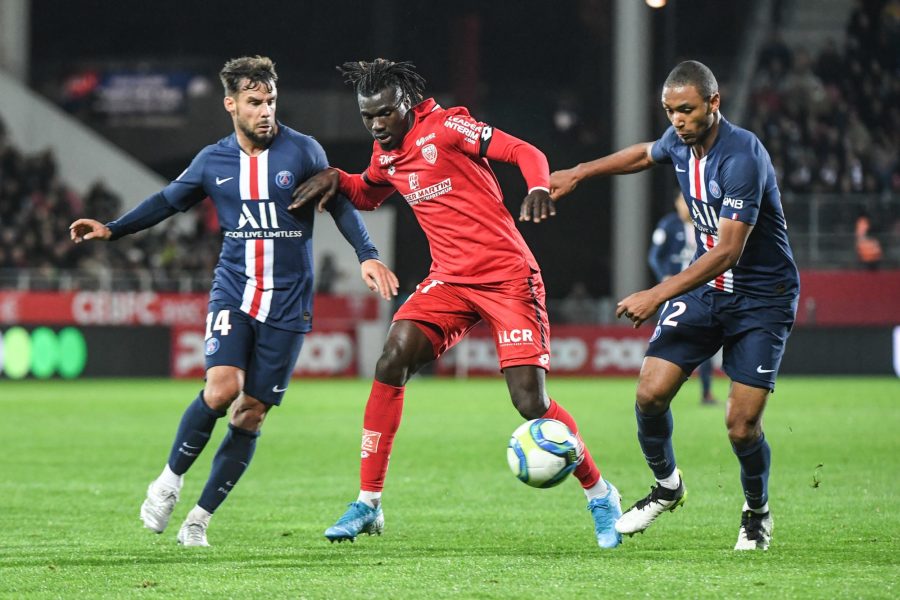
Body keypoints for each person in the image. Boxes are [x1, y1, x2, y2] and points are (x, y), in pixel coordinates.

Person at [289, 59, 623, 549]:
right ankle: (368, 503)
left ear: (406, 103)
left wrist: (535, 184)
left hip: (508, 278)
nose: (377, 125)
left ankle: (600, 493)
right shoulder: (388, 155)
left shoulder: (447, 127)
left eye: (384, 113)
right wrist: (338, 178)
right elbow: (368, 191)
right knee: (392, 357)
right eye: (368, 117)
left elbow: (523, 150)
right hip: (449, 280)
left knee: (530, 402)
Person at [69, 55, 398, 547]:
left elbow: (342, 205)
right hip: (235, 289)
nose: (265, 111)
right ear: (231, 105)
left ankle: (198, 520)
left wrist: (368, 256)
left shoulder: (304, 151)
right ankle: (168, 481)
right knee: (222, 389)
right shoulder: (212, 161)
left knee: (251, 414)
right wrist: (113, 229)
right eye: (254, 102)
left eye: (270, 101)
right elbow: (166, 201)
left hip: (288, 301)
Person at [527, 60, 800, 551]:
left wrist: (657, 293)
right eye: (670, 110)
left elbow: (727, 251)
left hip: (762, 297)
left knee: (741, 426)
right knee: (650, 393)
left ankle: (756, 511)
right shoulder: (681, 138)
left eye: (687, 110)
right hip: (706, 291)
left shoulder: (742, 158)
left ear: (714, 104)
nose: (676, 119)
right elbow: (643, 154)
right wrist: (582, 172)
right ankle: (667, 487)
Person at [648, 192, 719, 405]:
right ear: (677, 203)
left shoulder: (705, 224)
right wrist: (664, 276)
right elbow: (654, 255)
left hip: (700, 291)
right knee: (665, 337)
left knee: (706, 341)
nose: (686, 206)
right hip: (673, 292)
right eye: (682, 201)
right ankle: (653, 388)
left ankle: (706, 392)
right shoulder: (669, 224)